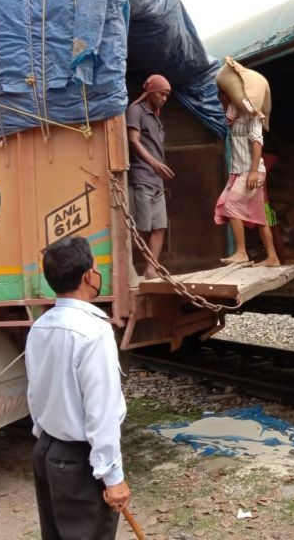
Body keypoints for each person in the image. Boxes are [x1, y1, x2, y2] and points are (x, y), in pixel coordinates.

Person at [25, 236, 129, 539]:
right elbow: (101, 411)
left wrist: (46, 441)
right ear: (88, 276)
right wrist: (113, 478)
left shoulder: (40, 326)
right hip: (78, 461)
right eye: (96, 266)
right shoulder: (93, 331)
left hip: (47, 450)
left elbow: (35, 395)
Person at [214, 93, 280, 267]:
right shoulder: (234, 115)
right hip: (241, 171)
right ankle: (272, 257)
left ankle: (242, 252)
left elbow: (257, 142)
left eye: (223, 95)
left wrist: (252, 171)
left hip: (250, 172)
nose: (221, 99)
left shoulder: (253, 115)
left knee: (230, 206)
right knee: (260, 218)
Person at [126, 74, 175, 279]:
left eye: (167, 95)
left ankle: (151, 269)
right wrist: (154, 163)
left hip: (156, 182)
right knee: (141, 228)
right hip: (141, 178)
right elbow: (133, 140)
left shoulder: (156, 117)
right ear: (151, 92)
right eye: (162, 94)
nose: (164, 98)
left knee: (159, 226)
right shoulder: (135, 110)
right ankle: (128, 266)